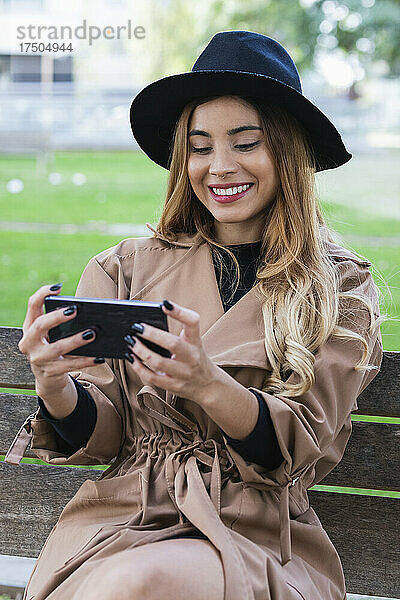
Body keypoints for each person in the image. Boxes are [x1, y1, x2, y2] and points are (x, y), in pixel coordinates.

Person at [5, 30, 385, 600]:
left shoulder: (339, 286)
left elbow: (300, 449)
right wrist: (55, 385)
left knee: (139, 583)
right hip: (125, 520)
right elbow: (106, 438)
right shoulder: (127, 268)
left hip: (256, 535)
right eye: (200, 147)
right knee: (125, 580)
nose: (220, 167)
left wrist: (209, 385)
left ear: (286, 150)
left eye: (245, 143)